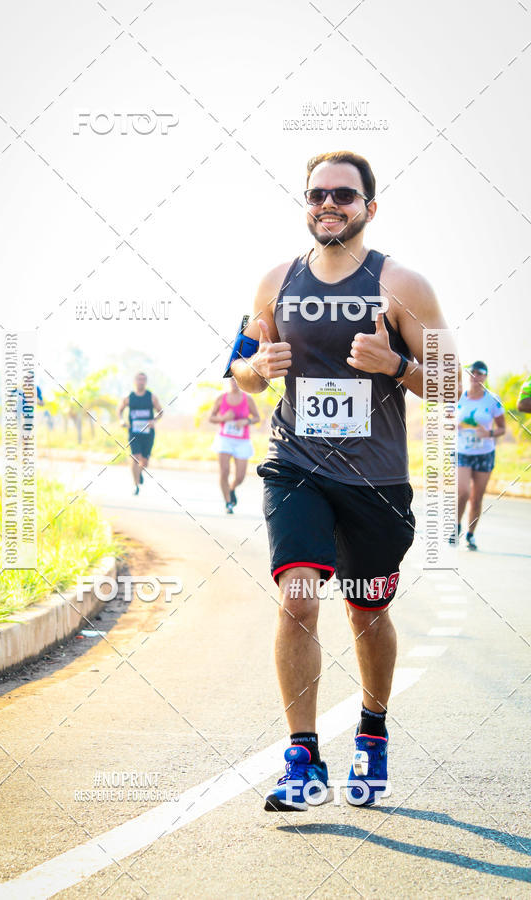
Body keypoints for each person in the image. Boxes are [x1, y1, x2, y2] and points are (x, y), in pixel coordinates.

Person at [228, 150, 461, 811]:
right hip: (295, 465)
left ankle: (373, 732)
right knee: (298, 599)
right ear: (306, 205)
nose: (327, 203)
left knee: (366, 610)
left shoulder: (403, 286)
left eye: (343, 194)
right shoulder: (275, 281)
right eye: (315, 194)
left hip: (376, 483)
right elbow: (239, 368)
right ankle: (302, 759)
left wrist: (395, 365)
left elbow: (449, 384)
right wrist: (257, 369)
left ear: (369, 208)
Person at [456, 361, 505, 550]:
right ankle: (455, 527)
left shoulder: (493, 399)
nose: (475, 376)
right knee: (463, 492)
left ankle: (470, 535)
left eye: (480, 373)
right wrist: (453, 426)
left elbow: (502, 429)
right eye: (472, 372)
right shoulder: (458, 397)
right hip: (463, 451)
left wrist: (489, 433)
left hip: (484, 453)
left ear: (485, 377)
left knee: (476, 498)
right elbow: (445, 422)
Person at [208, 376, 260, 513]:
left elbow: (256, 418)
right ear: (228, 382)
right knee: (224, 471)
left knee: (240, 476)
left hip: (242, 440)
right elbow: (211, 417)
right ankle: (228, 503)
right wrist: (222, 418)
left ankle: (231, 489)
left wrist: (246, 422)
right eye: (232, 380)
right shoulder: (221, 398)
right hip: (225, 439)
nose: (234, 383)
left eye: (237, 380)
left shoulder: (247, 399)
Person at [118, 373, 163, 495]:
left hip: (148, 433)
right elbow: (120, 410)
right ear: (135, 381)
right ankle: (136, 485)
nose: (141, 382)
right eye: (139, 379)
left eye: (143, 380)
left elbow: (160, 411)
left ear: (146, 382)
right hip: (134, 432)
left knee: (145, 461)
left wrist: (154, 420)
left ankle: (140, 472)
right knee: (135, 458)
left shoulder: (151, 397)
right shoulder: (129, 397)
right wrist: (122, 421)